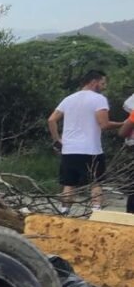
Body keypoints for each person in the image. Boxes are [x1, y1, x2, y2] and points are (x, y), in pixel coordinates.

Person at [47, 70, 123, 212]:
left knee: (69, 183)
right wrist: (124, 124)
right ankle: (96, 211)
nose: (104, 86)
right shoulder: (98, 99)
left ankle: (64, 211)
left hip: (69, 149)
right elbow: (104, 124)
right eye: (102, 83)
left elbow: (51, 119)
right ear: (94, 82)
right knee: (96, 183)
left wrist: (57, 139)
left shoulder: (68, 99)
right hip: (91, 149)